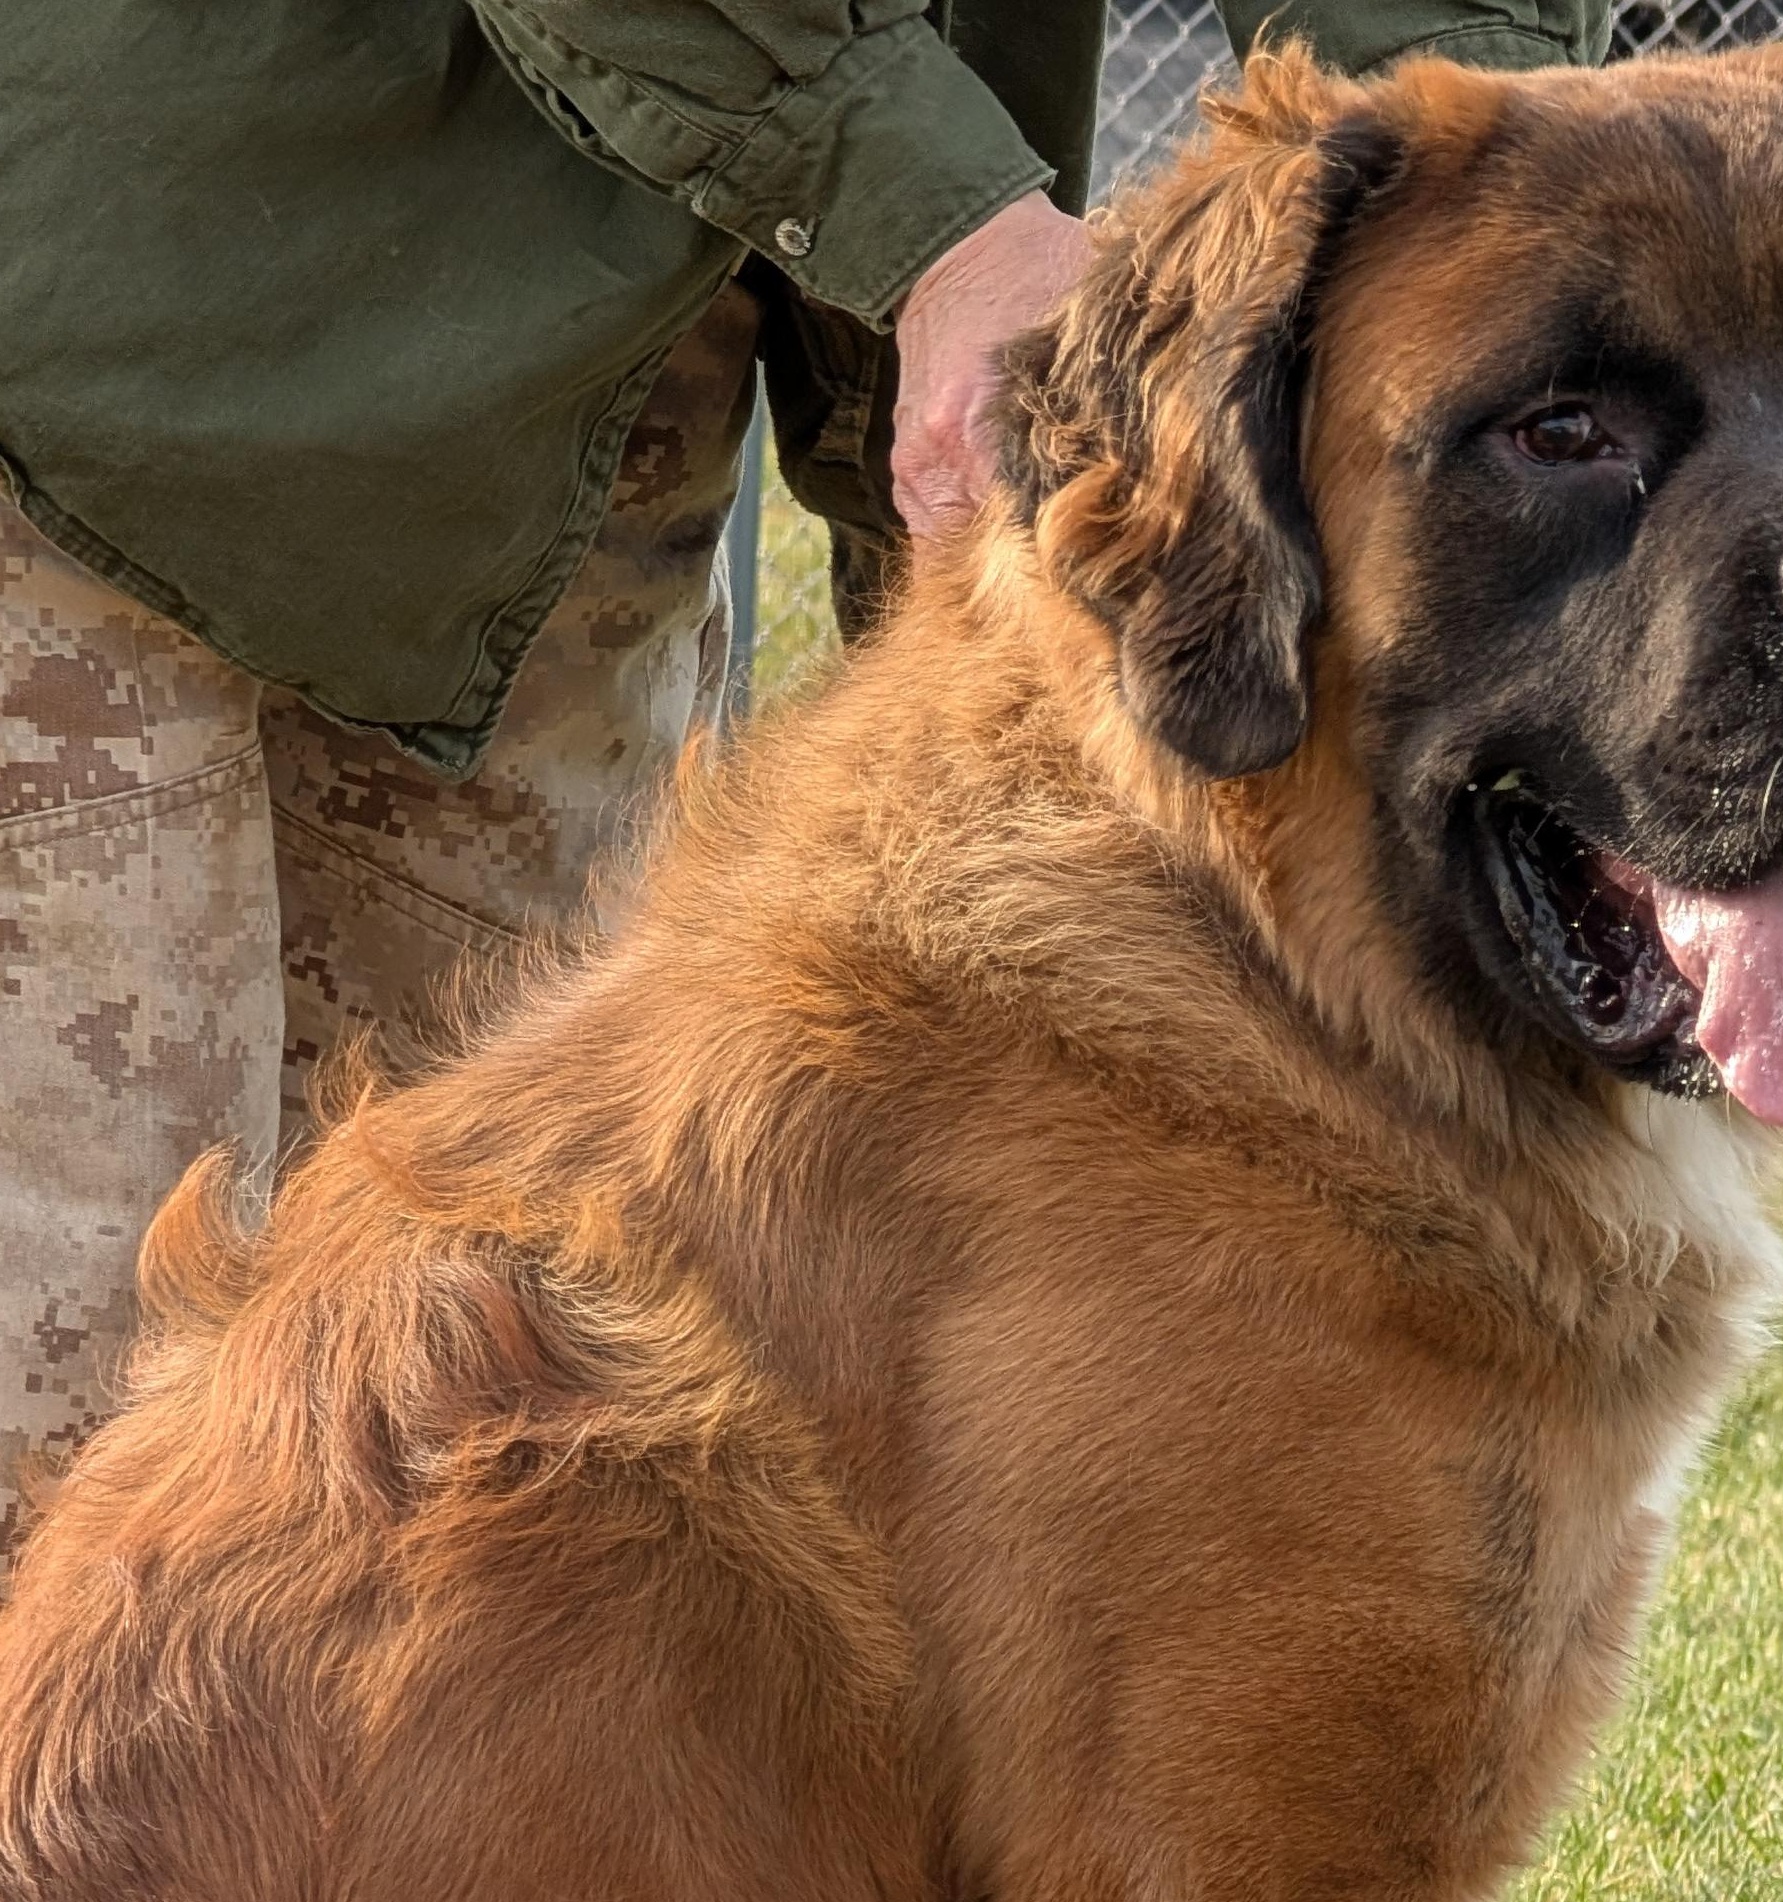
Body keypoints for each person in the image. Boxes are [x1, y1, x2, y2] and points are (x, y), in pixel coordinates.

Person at [0, 0, 1605, 1561]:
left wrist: (1486, 241)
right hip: (107, 355)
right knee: (63, 1446)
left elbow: (1440, 59)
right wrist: (943, 229)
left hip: (589, 400)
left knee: (485, 1439)